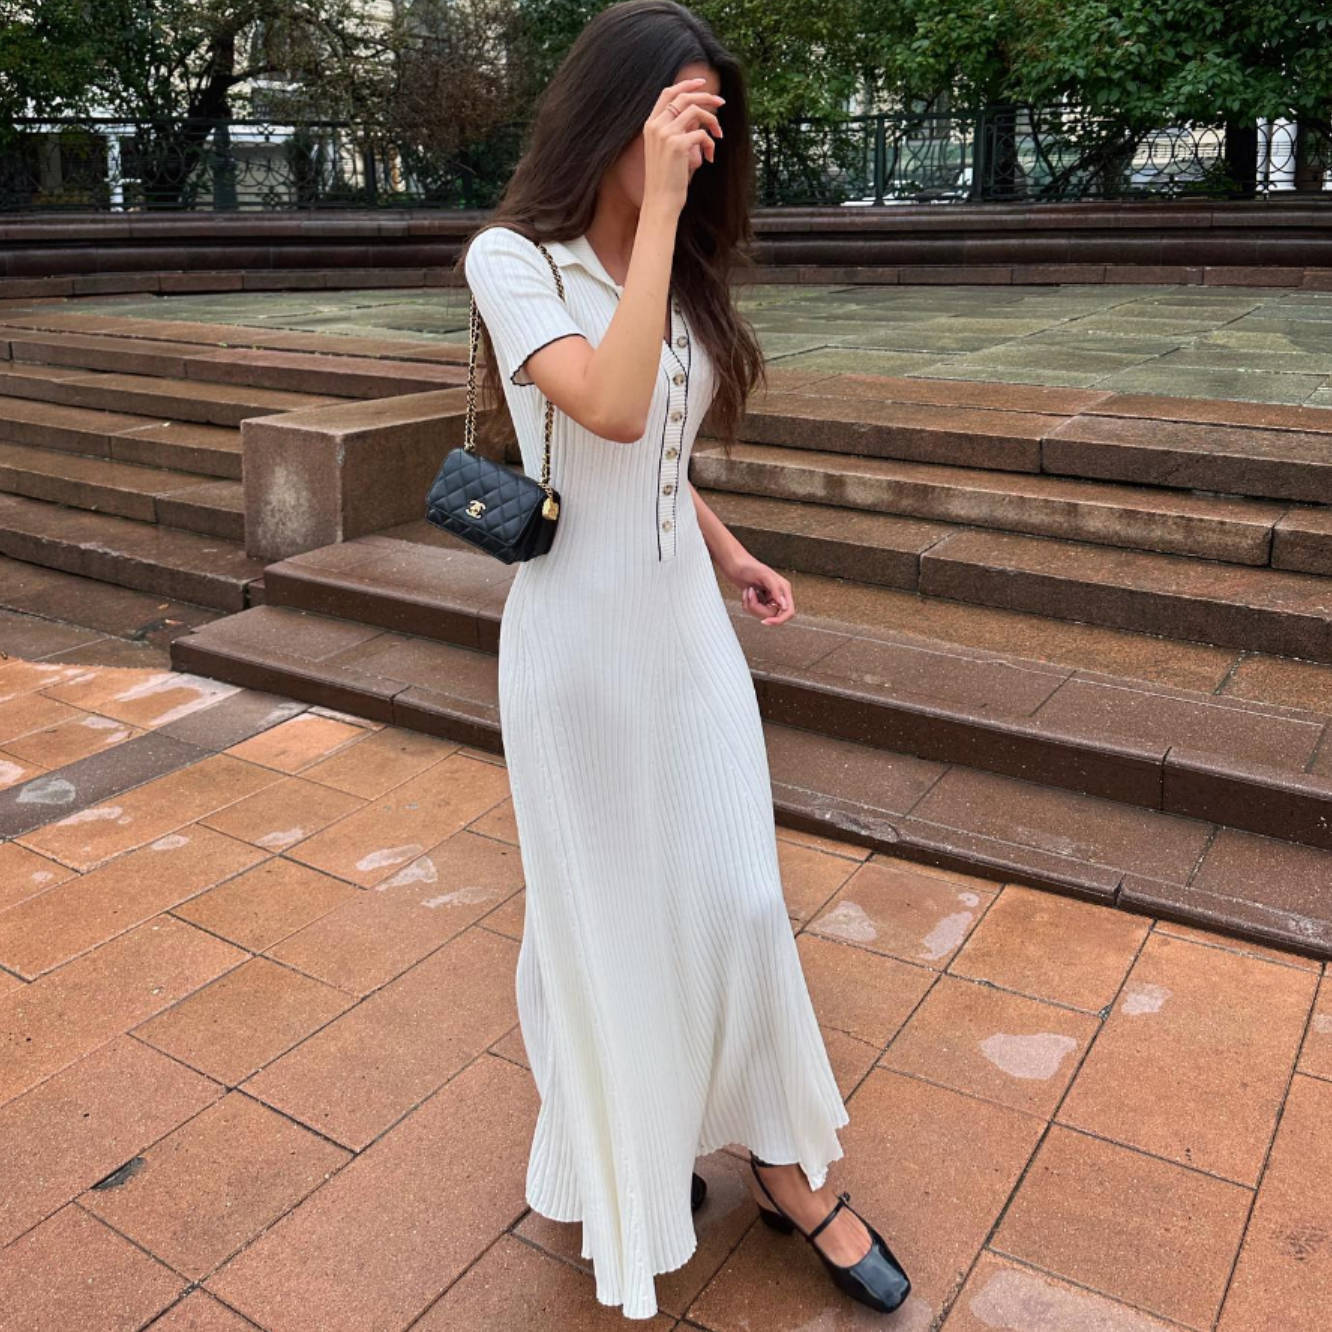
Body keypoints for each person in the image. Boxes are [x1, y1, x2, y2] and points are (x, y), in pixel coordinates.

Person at [457, 1, 910, 1319]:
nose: (700, 151)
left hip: (685, 634)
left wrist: (730, 552)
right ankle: (634, 1155)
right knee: (605, 916)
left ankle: (780, 1162)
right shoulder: (513, 260)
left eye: (712, 130)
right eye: (679, 120)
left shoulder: (679, 260)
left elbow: (658, 450)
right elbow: (604, 404)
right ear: (614, 110)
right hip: (577, 649)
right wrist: (656, 210)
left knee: (743, 899)